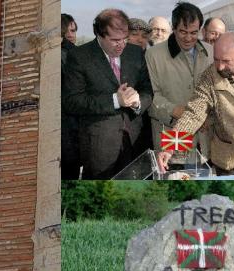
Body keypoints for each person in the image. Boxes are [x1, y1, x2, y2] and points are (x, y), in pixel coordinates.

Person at [156, 33, 234, 175]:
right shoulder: (209, 77)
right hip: (227, 161)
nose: (219, 67)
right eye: (216, 59)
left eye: (226, 61)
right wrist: (170, 147)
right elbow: (194, 113)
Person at [62, 9, 152, 179]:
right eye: (115, 40)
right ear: (99, 35)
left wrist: (137, 101)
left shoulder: (135, 52)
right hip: (99, 147)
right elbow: (72, 101)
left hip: (136, 142)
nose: (122, 45)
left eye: (125, 39)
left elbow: (148, 90)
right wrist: (115, 100)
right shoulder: (79, 56)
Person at [145, 2, 213, 167]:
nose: (188, 38)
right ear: (173, 28)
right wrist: (177, 111)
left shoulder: (210, 51)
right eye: (183, 32)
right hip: (172, 132)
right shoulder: (153, 55)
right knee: (179, 173)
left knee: (203, 175)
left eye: (193, 32)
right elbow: (149, 97)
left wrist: (208, 115)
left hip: (206, 138)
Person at [61, 13, 79, 179]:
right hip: (69, 124)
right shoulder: (70, 55)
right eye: (66, 30)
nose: (70, 35)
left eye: (73, 30)